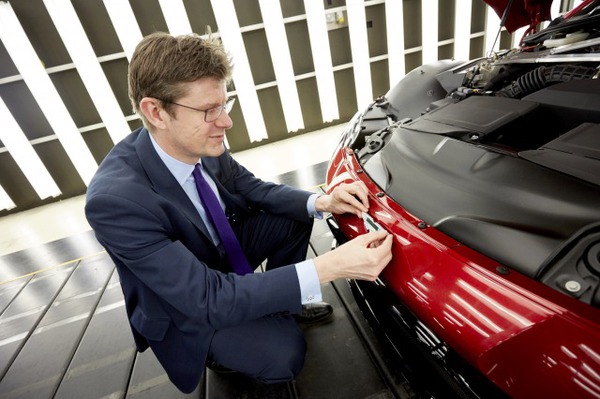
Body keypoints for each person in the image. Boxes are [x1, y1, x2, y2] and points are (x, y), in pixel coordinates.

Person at [85, 31, 393, 393]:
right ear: (156, 112)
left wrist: (320, 201)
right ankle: (220, 354)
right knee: (283, 354)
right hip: (188, 303)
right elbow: (206, 298)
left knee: (294, 214)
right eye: (208, 110)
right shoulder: (115, 202)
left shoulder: (198, 138)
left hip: (217, 259)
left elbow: (250, 187)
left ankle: (283, 303)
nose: (226, 122)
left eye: (224, 104)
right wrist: (330, 267)